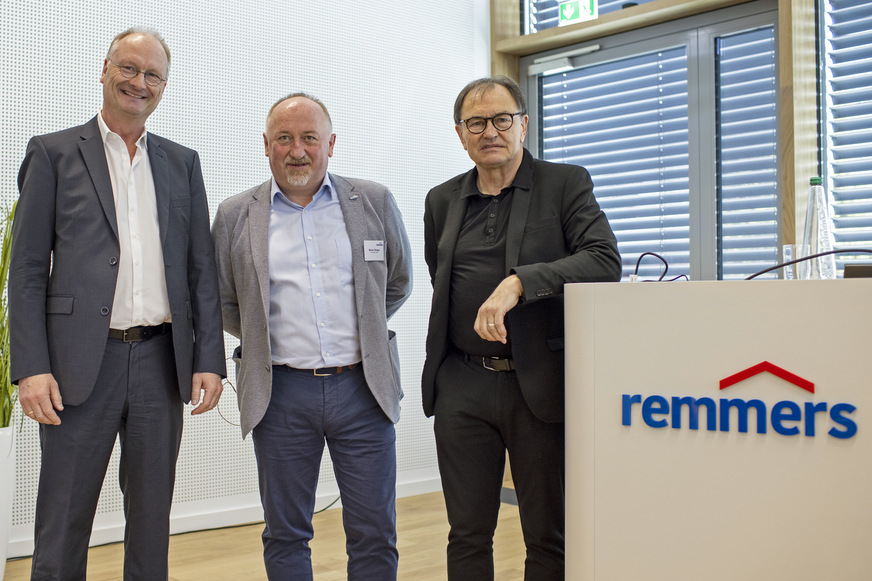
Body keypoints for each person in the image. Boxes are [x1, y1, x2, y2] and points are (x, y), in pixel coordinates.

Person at [9, 27, 226, 580]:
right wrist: (31, 368)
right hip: (81, 365)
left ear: (165, 86)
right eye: (129, 68)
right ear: (103, 71)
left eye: (153, 74)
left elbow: (201, 269)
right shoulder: (53, 153)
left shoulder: (182, 163)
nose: (140, 82)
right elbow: (28, 270)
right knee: (63, 518)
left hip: (160, 362)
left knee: (152, 519)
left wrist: (208, 358)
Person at [422, 76, 622, 580]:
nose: (490, 130)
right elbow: (439, 277)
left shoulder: (564, 183)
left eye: (502, 119)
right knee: (466, 533)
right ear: (460, 133)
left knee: (547, 534)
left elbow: (603, 260)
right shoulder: (441, 200)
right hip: (462, 383)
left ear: (524, 124)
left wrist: (519, 283)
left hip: (538, 381)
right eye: (476, 122)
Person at [212, 93, 412, 580]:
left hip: (364, 390)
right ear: (266, 145)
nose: (296, 150)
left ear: (330, 143)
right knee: (285, 533)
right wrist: (264, 337)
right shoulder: (236, 214)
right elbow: (223, 300)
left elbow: (398, 281)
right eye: (284, 138)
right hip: (281, 394)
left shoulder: (374, 201)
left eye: (308, 138)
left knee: (374, 532)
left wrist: (363, 326)